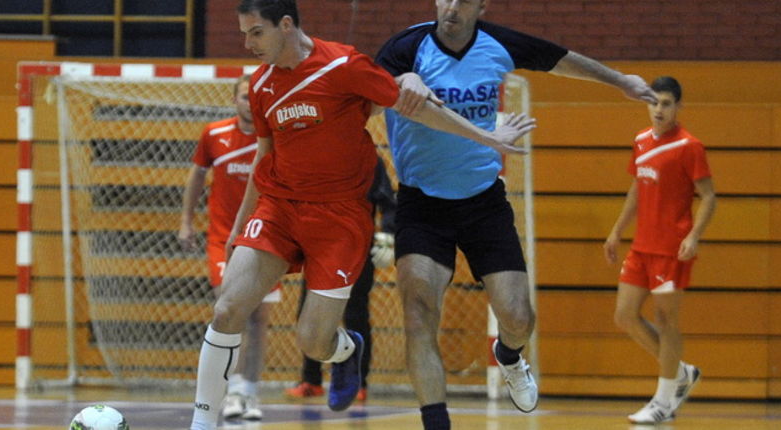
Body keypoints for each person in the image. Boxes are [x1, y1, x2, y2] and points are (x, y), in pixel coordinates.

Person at [189, 1, 535, 429]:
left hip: (339, 218)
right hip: (279, 209)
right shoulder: (261, 86)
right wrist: (240, 227)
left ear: (285, 25)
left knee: (312, 341)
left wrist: (488, 137)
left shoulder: (344, 64)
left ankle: (345, 350)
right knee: (226, 310)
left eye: (256, 32)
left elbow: (419, 106)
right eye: (244, 34)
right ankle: (201, 423)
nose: (248, 44)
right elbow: (266, 157)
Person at [374, 1, 658, 428]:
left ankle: (508, 355)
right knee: (418, 313)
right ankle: (436, 422)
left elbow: (560, 59)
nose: (453, 7)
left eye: (464, 0)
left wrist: (620, 81)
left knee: (518, 317)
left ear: (481, 6)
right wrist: (399, 80)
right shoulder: (405, 48)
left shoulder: (498, 43)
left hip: (483, 202)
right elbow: (371, 96)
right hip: (421, 204)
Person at [604, 76, 716, 425]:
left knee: (667, 322)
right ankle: (680, 372)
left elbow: (710, 196)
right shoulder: (640, 142)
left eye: (666, 103)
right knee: (624, 315)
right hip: (641, 246)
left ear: (678, 107)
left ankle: (665, 400)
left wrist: (694, 236)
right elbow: (637, 188)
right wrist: (616, 231)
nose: (659, 109)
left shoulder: (689, 146)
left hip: (671, 249)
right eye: (654, 102)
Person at [179, 74, 276, 421]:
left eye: (254, 97)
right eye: (243, 97)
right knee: (233, 309)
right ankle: (231, 389)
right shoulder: (214, 134)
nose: (249, 103)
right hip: (223, 239)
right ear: (234, 99)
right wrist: (187, 221)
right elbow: (196, 176)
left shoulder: (274, 139)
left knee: (260, 319)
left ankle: (250, 391)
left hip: (266, 237)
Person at [284, 156, 397, 402]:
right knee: (308, 312)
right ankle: (311, 380)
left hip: (357, 248)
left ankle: (358, 382)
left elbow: (388, 202)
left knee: (356, 314)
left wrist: (388, 234)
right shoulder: (320, 157)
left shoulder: (370, 160)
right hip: (320, 248)